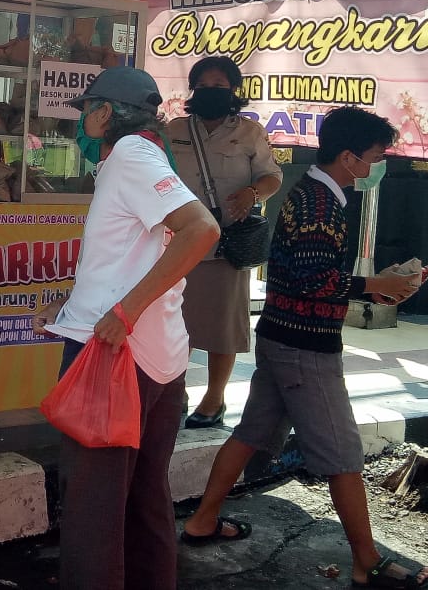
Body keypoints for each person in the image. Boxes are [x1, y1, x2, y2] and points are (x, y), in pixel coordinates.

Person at [182, 106, 428, 590]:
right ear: (350, 156)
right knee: (341, 454)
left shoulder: (317, 193)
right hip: (305, 349)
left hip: (282, 336)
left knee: (250, 433)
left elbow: (308, 277)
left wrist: (374, 287)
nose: (378, 165)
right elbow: (317, 279)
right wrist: (371, 283)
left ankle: (202, 520)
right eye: (375, 157)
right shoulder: (319, 204)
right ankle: (367, 559)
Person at [34, 66, 220, 590]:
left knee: (94, 512)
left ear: (103, 113)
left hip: (117, 362)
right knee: (144, 501)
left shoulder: (132, 157)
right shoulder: (143, 158)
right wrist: (70, 307)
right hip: (157, 359)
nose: (80, 126)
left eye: (85, 113)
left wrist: (124, 312)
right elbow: (128, 258)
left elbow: (201, 230)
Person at [166, 56, 282, 428]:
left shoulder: (249, 133)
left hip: (226, 247)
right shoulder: (173, 129)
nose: (211, 92)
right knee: (172, 324)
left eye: (219, 86)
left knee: (223, 329)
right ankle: (174, 393)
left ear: (233, 91)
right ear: (193, 89)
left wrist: (253, 192)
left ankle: (214, 400)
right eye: (204, 85)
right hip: (178, 243)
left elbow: (272, 177)